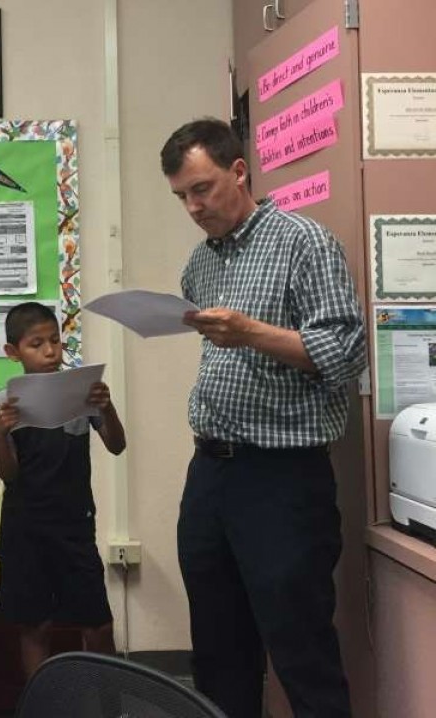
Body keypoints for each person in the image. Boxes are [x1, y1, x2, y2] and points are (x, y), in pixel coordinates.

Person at [160, 117, 366, 718]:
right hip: (211, 472)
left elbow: (346, 356)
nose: (194, 207)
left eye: (202, 188)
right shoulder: (201, 264)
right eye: (182, 197)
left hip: (282, 478)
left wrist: (251, 333)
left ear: (239, 171)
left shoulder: (306, 243)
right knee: (219, 647)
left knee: (301, 649)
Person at [0, 301, 127, 679]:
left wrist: (107, 408)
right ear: (13, 352)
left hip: (75, 524)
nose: (50, 351)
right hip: (25, 528)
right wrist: (1, 434)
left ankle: (106, 705)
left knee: (98, 625)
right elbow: (9, 474)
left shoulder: (80, 390)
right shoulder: (3, 402)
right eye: (36, 344)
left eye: (55, 341)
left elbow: (117, 445)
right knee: (35, 627)